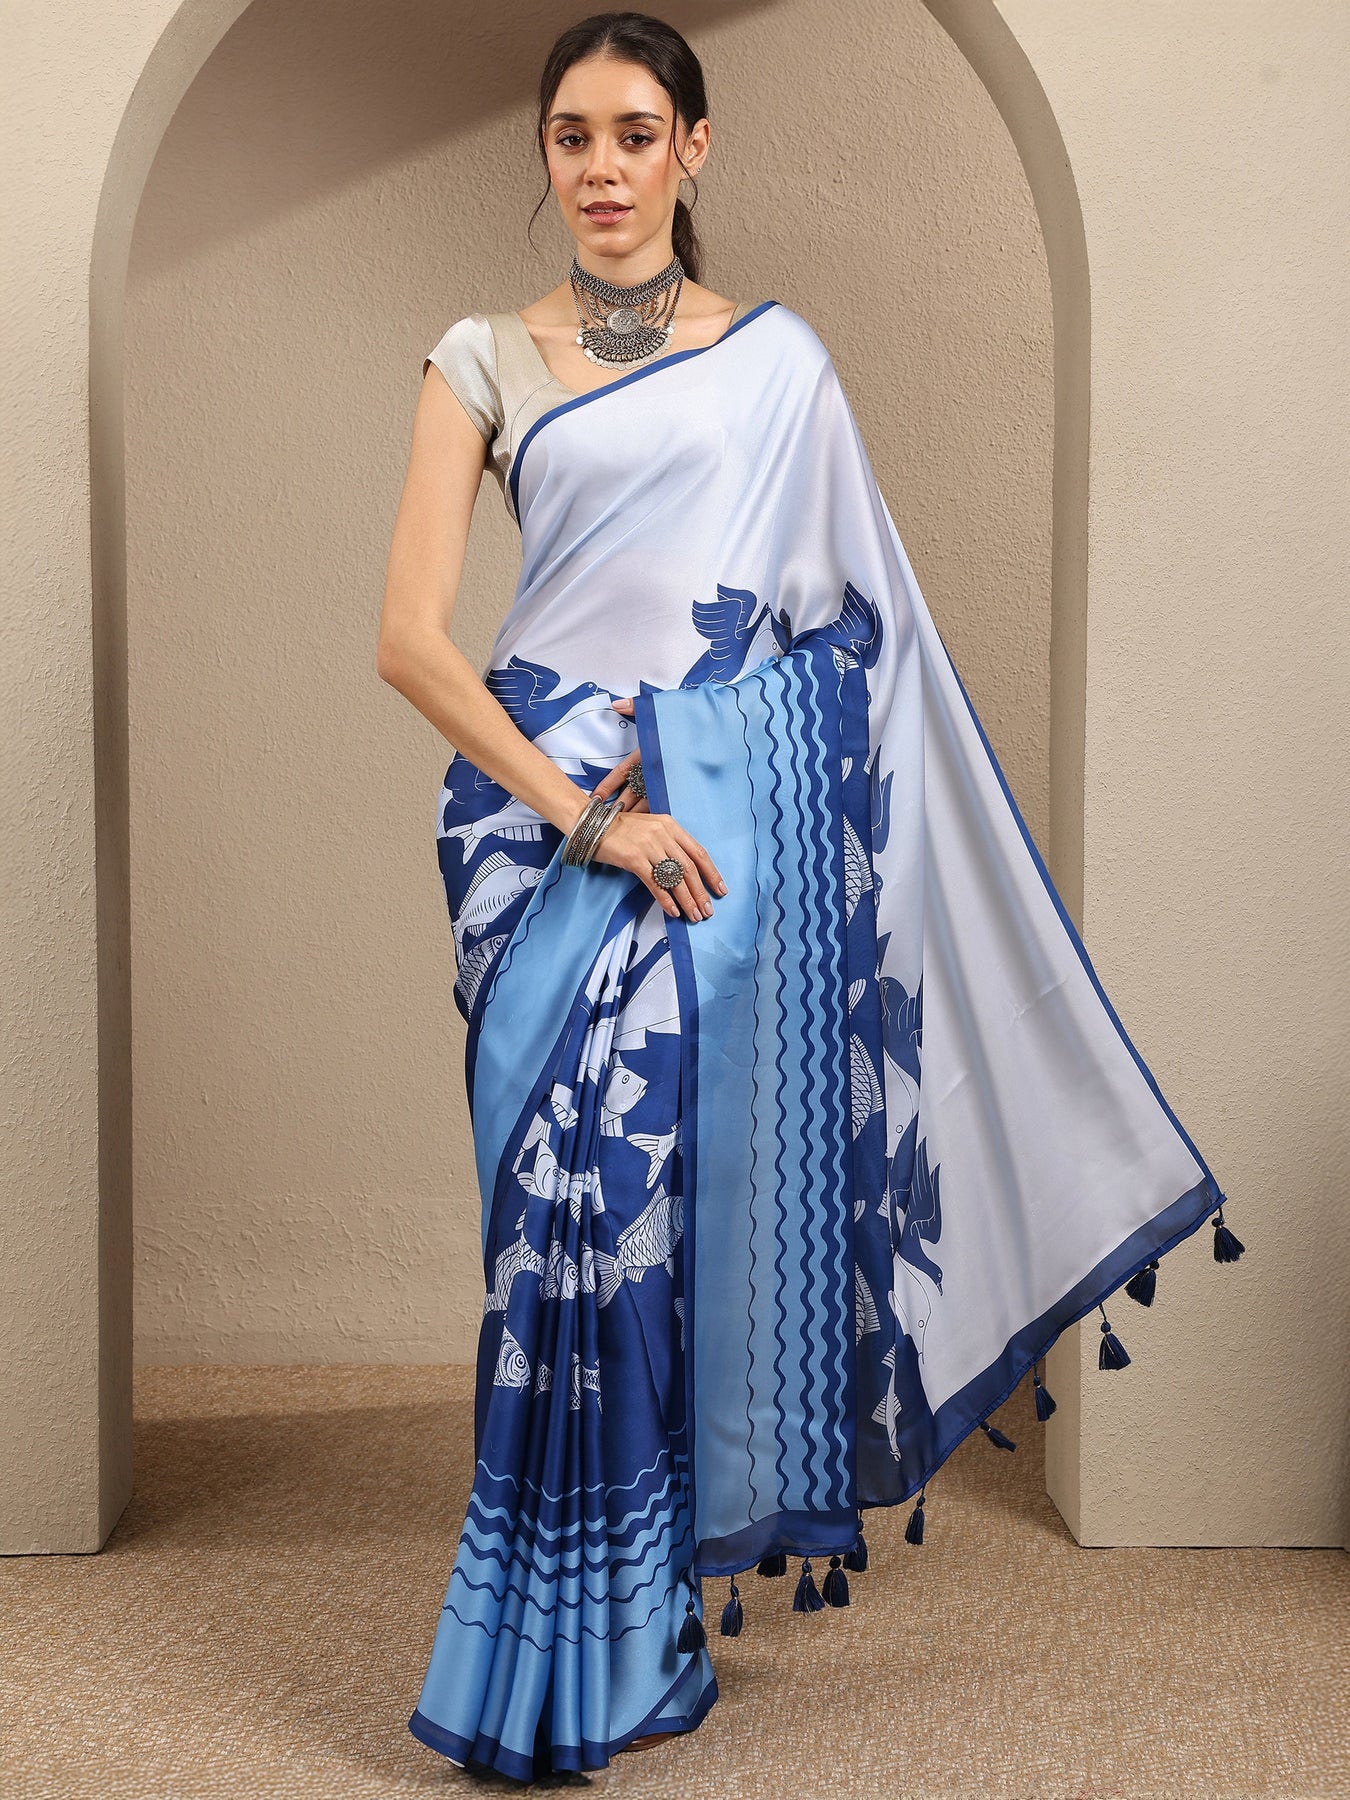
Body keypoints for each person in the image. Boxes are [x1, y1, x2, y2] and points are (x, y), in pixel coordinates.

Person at [378, 10, 1246, 1787]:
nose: (600, 168)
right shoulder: (479, 360)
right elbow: (409, 642)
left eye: (634, 133)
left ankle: (630, 1633)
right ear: (544, 156)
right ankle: (563, 1622)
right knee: (544, 1230)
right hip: (537, 832)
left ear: (693, 149)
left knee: (634, 1220)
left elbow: (857, 640)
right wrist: (584, 815)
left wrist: (689, 778)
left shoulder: (777, 369)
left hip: (712, 829)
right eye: (570, 136)